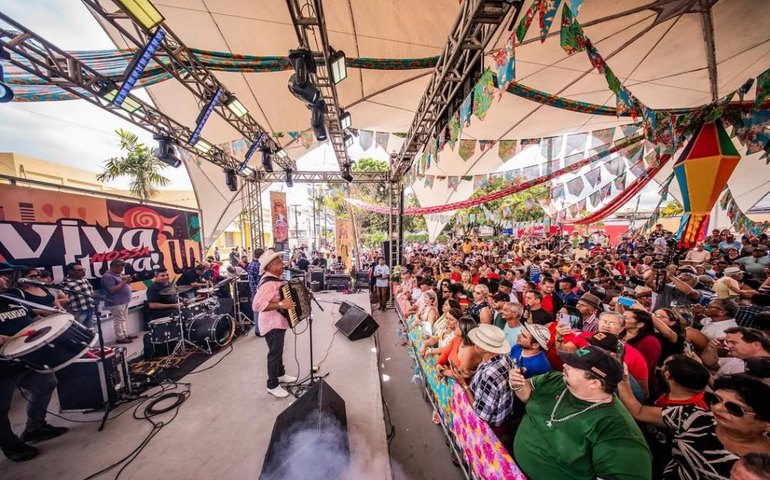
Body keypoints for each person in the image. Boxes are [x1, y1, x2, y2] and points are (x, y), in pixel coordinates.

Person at [508, 345, 652, 479]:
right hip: (506, 462)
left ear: (594, 383)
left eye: (574, 366)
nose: (564, 365)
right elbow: (528, 394)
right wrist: (518, 386)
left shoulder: (617, 431)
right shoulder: (555, 380)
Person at [619, 373, 770, 479]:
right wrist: (622, 377)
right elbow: (639, 411)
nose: (718, 408)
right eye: (715, 399)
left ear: (766, 424)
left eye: (734, 408)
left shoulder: (764, 467)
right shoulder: (695, 417)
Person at [0, 269, 68, 462]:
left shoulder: (10, 298)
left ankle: (34, 427)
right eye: (0, 275)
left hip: (24, 358)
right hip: (2, 366)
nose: (4, 278)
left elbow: (33, 318)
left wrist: (50, 321)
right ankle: (11, 446)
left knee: (46, 384)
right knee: (1, 409)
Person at [453, 324, 514, 443]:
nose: (474, 343)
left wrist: (463, 384)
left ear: (485, 348)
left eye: (477, 341)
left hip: (490, 429)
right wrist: (471, 373)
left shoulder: (489, 374)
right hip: (503, 418)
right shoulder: (504, 358)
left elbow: (480, 414)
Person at [252, 250, 298, 398]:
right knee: (274, 353)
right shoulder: (268, 283)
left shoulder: (275, 280)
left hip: (278, 321)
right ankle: (272, 384)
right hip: (271, 323)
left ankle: (280, 374)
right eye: (278, 263)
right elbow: (257, 306)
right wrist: (280, 304)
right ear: (270, 267)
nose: (282, 265)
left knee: (278, 350)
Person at [100, 259, 137, 344]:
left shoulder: (118, 274)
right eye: (121, 268)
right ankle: (120, 337)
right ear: (114, 267)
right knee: (118, 320)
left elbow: (123, 284)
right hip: (116, 302)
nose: (122, 270)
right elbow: (112, 290)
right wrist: (123, 282)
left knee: (123, 318)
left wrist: (127, 280)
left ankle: (125, 335)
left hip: (123, 301)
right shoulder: (107, 277)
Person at [61, 262, 95, 328]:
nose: (82, 271)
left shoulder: (84, 280)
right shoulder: (66, 283)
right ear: (70, 272)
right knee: (81, 330)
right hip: (78, 312)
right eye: (79, 270)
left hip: (90, 308)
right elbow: (65, 301)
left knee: (91, 330)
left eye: (83, 269)